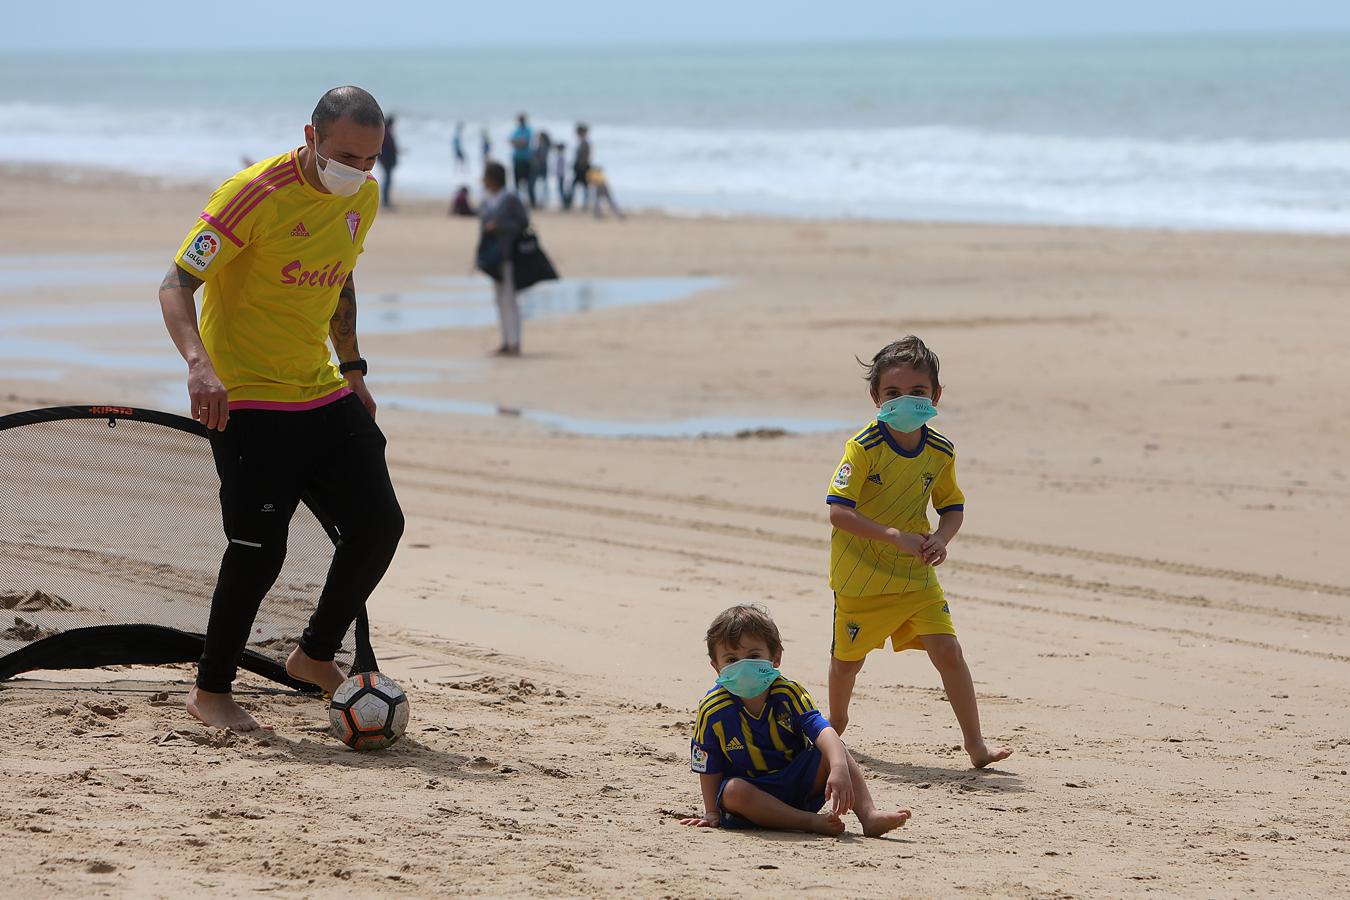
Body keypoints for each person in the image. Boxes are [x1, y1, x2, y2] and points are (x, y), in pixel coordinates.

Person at [157, 86, 405, 732]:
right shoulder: (252, 194)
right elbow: (176, 283)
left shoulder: (363, 198)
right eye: (347, 154)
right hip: (247, 398)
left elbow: (340, 276)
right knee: (258, 549)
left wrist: (352, 370)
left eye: (373, 158)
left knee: (379, 525)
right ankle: (211, 692)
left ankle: (314, 654)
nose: (359, 171)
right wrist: (198, 364)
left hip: (319, 387)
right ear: (310, 136)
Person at [825, 336, 1013, 769]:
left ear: (936, 395)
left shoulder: (940, 450)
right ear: (876, 398)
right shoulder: (863, 448)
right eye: (893, 393)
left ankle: (976, 745)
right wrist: (893, 535)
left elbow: (952, 507)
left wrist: (942, 539)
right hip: (860, 578)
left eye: (917, 392)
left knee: (948, 652)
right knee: (847, 665)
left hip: (916, 575)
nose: (905, 401)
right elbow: (838, 512)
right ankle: (834, 722)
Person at [682, 605, 912, 837]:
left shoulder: (788, 693)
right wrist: (711, 811)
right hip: (751, 800)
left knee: (834, 748)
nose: (743, 666)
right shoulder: (712, 708)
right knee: (733, 790)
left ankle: (869, 815)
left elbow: (822, 729)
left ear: (775, 658)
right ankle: (808, 822)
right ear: (716, 666)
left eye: (753, 656)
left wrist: (839, 767)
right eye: (731, 659)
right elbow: (707, 761)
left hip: (798, 785)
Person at [477, 161, 529, 356]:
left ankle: (515, 342)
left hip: (509, 254)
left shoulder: (510, 198)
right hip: (493, 256)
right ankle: (506, 341)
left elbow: (523, 222)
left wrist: (500, 226)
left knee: (509, 299)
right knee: (499, 299)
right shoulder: (487, 199)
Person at [509, 113, 535, 208]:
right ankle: (517, 203)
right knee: (516, 183)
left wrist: (517, 142)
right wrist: (519, 142)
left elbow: (525, 143)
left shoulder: (528, 130)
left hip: (526, 159)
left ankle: (532, 202)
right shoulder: (516, 130)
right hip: (517, 159)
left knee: (528, 183)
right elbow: (511, 141)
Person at [378, 114, 398, 209]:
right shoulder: (386, 133)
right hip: (387, 161)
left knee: (387, 181)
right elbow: (386, 148)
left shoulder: (385, 133)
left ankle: (386, 200)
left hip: (386, 161)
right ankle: (385, 201)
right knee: (387, 181)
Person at [570, 122, 591, 210]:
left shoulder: (585, 143)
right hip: (580, 167)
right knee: (579, 186)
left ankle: (584, 204)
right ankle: (581, 203)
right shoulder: (581, 142)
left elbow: (586, 156)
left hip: (583, 167)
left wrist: (580, 165)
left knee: (583, 186)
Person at [532, 130, 552, 207]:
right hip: (541, 167)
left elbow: (542, 158)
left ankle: (542, 201)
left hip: (541, 167)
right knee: (540, 185)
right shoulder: (541, 146)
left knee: (541, 185)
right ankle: (541, 201)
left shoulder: (543, 147)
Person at [554, 141, 572, 210]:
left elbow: (564, 167)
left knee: (562, 189)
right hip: (561, 175)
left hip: (562, 175)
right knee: (561, 189)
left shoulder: (561, 156)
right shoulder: (561, 156)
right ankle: (565, 203)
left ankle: (565, 203)